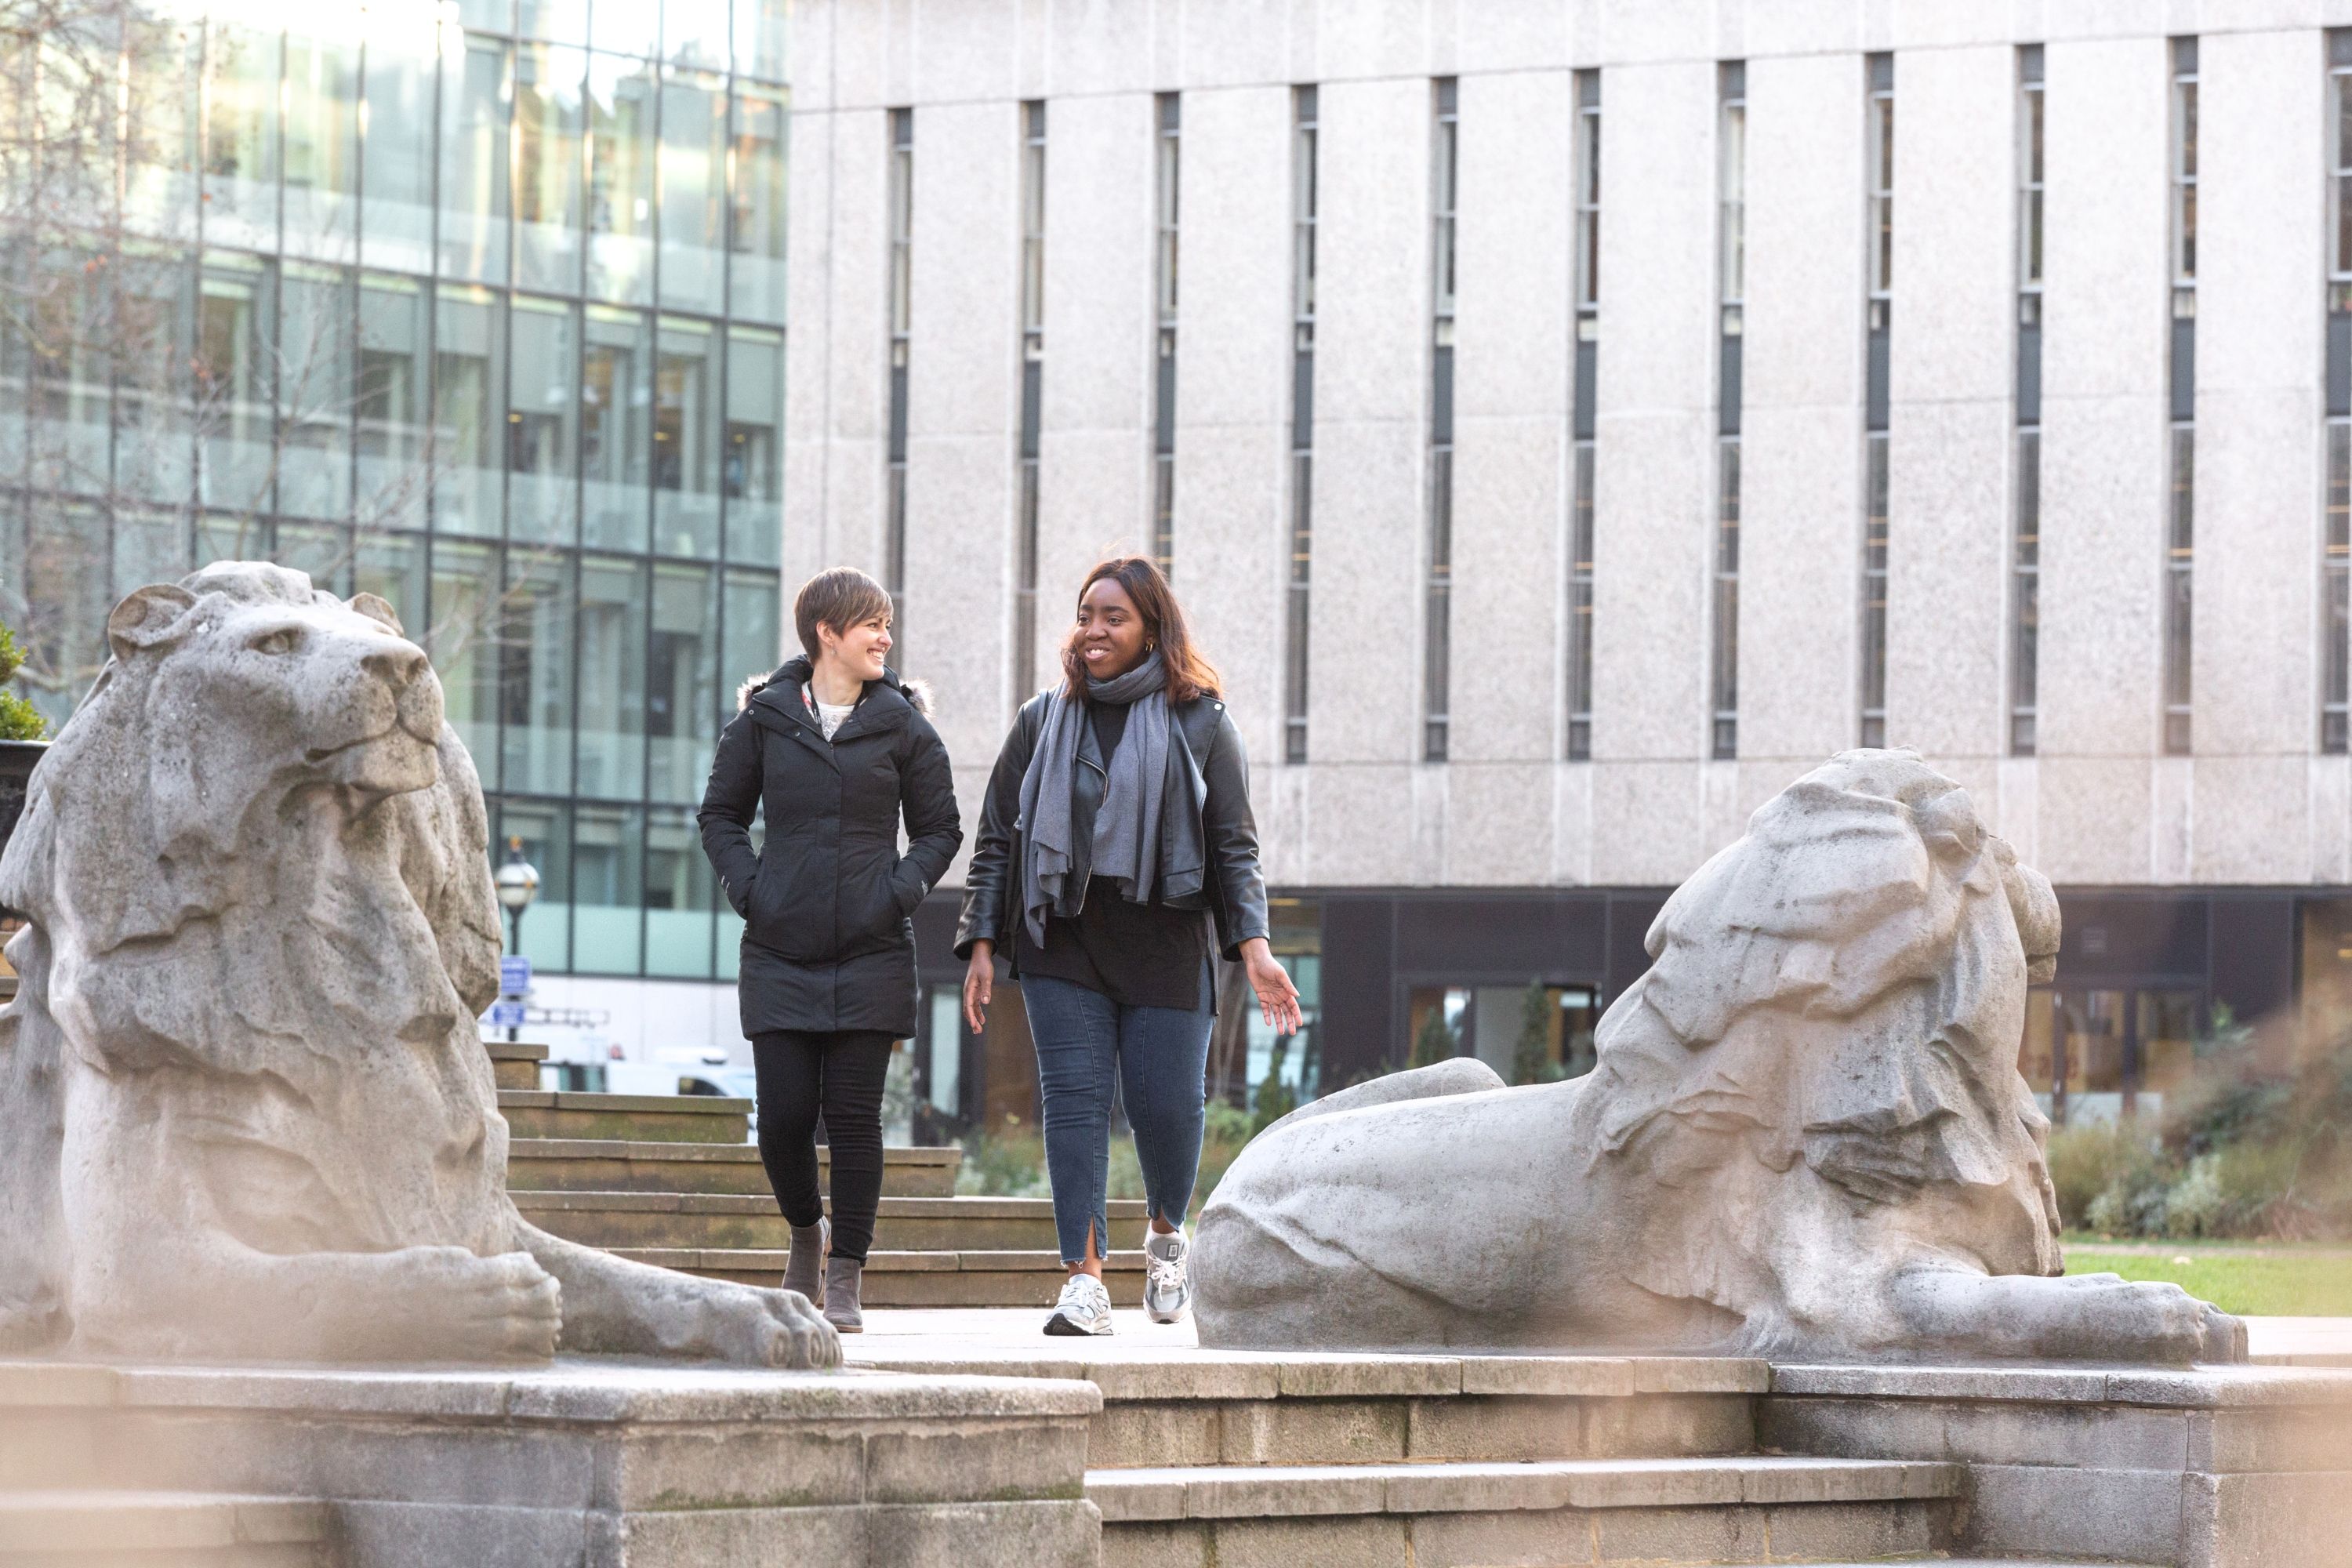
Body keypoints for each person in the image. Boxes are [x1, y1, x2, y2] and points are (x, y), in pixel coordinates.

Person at [957, 557, 1301, 1336]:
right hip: (1064, 934)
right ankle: (1083, 1280)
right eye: (1085, 615)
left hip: (1168, 935)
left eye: (1113, 616)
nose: (1093, 630)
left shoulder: (1202, 721)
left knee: (1168, 1107)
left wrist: (1255, 947)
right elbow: (995, 841)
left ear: (1151, 627)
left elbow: (1234, 846)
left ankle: (1166, 1231)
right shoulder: (1041, 719)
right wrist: (981, 938)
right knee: (1073, 1103)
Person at [698, 568, 961, 1333]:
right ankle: (806, 1231)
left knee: (852, 1117)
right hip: (779, 946)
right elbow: (720, 815)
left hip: (873, 947)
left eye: (887, 623)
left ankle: (844, 1273)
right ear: (827, 634)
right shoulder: (763, 722)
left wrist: (897, 891)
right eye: (871, 624)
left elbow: (941, 829)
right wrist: (754, 889)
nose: (886, 637)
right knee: (782, 1116)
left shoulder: (907, 727)